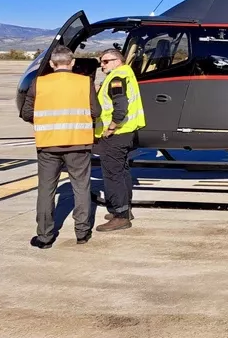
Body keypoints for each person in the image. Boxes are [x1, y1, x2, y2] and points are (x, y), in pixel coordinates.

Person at [21, 45, 101, 248]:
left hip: (48, 144)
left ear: (51, 63)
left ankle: (45, 237)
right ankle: (82, 232)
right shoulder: (85, 82)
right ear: (72, 63)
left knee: (46, 190)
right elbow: (96, 111)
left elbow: (26, 112)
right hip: (78, 142)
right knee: (81, 187)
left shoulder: (39, 83)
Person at [93, 48, 146, 232]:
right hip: (126, 133)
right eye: (101, 61)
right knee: (122, 172)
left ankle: (120, 217)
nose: (102, 65)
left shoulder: (117, 78)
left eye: (105, 61)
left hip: (115, 135)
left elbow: (120, 106)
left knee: (112, 175)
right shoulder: (126, 74)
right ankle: (124, 209)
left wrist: (111, 127)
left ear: (117, 60)